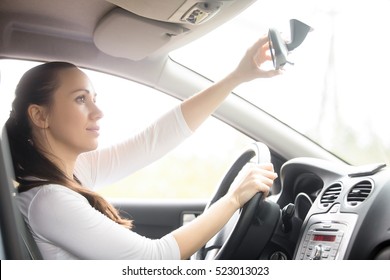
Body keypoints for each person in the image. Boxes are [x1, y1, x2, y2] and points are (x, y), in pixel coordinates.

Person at [5, 35, 281, 260]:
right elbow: (155, 260)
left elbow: (157, 139)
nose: (98, 111)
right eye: (80, 99)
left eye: (94, 98)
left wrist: (238, 76)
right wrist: (233, 199)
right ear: (40, 116)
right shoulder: (49, 201)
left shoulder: (72, 173)